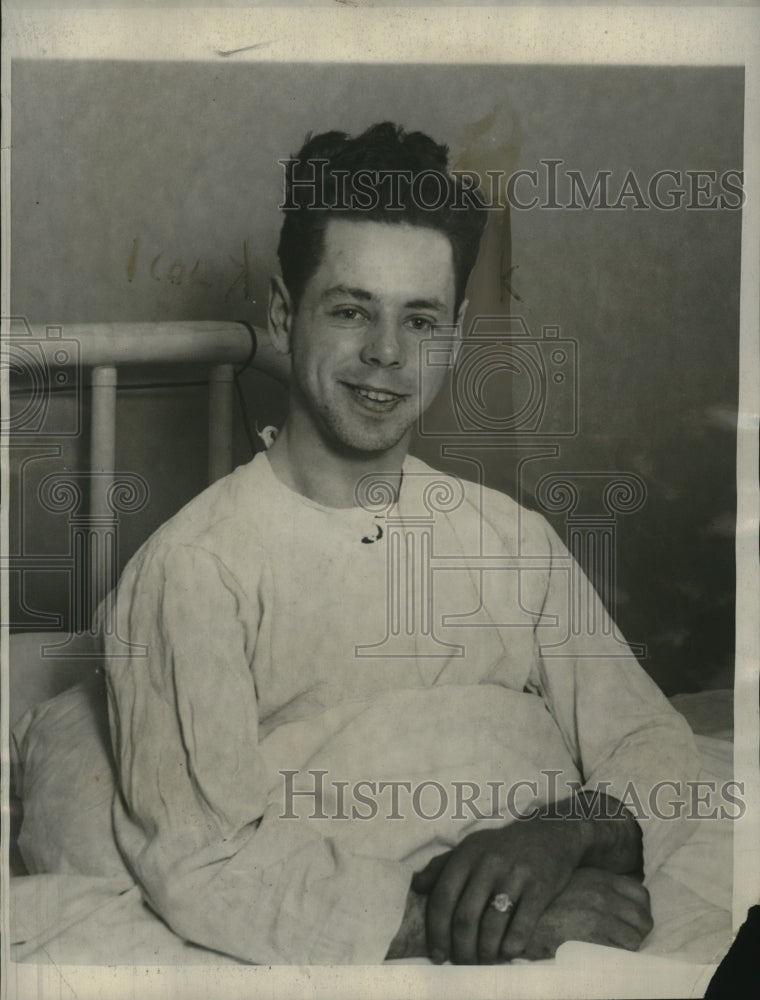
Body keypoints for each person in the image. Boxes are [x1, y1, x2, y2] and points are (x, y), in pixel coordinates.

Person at [101, 122, 700, 965]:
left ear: (453, 332)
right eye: (351, 310)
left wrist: (561, 835)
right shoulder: (195, 568)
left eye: (419, 321)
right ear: (283, 312)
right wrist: (492, 923)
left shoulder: (510, 539)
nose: (385, 355)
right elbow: (207, 860)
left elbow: (654, 744)